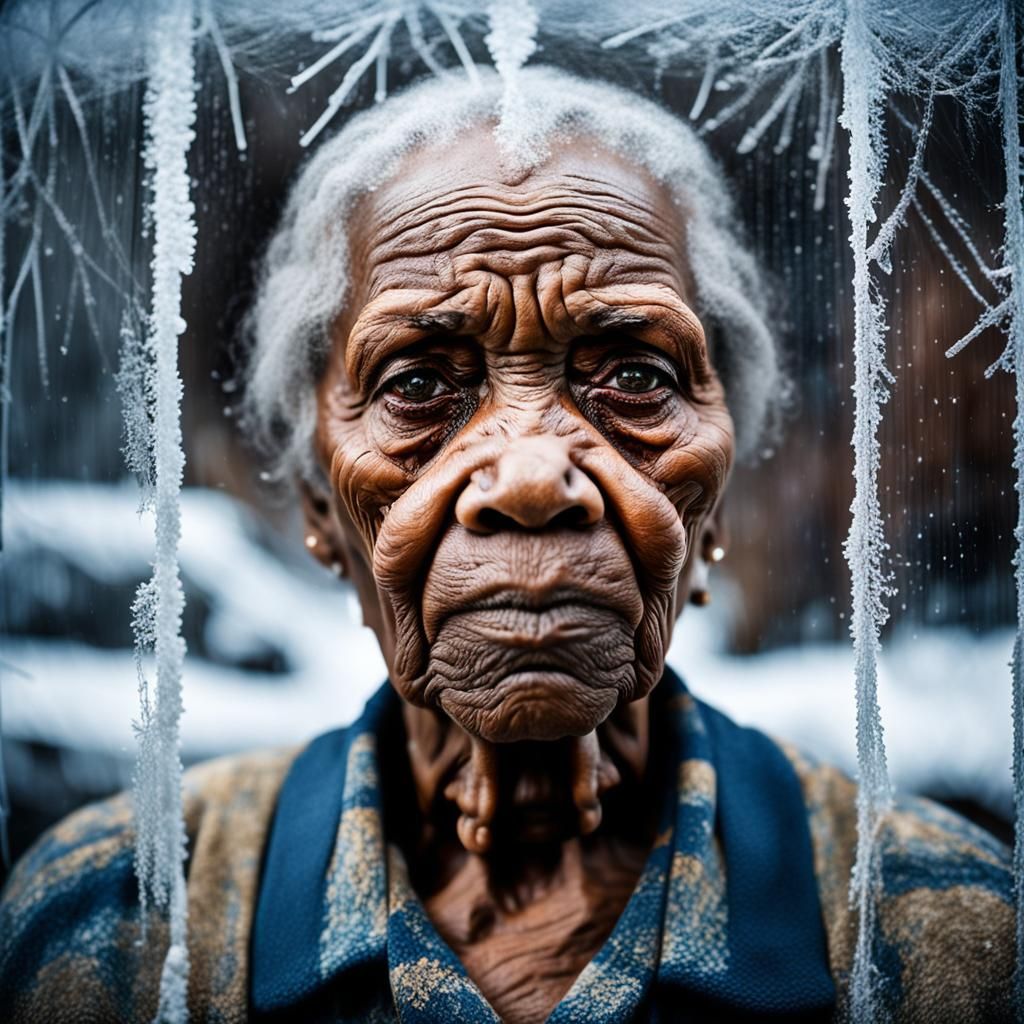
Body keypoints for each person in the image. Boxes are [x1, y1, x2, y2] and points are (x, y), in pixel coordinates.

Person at [0, 68, 1013, 1024]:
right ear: (318, 501)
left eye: (636, 378)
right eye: (416, 385)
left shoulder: (945, 933)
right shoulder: (117, 922)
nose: (531, 476)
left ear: (713, 499)